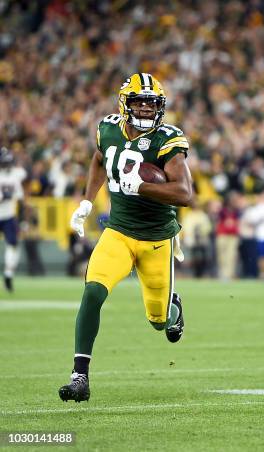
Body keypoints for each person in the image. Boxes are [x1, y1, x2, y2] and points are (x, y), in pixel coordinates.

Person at [58, 73, 193, 402]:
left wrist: (143, 187)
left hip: (157, 240)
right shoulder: (107, 128)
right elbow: (99, 159)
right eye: (140, 103)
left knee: (158, 322)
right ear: (125, 104)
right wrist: (88, 200)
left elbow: (185, 193)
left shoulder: (168, 139)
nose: (146, 110)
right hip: (118, 231)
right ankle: (80, 377)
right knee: (92, 292)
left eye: (153, 104)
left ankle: (173, 307)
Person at [0, 147, 26, 292]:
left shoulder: (14, 177)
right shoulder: (14, 176)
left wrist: (22, 219)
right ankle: (8, 275)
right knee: (13, 245)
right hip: (8, 215)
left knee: (13, 245)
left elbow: (20, 199)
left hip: (9, 215)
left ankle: (8, 274)